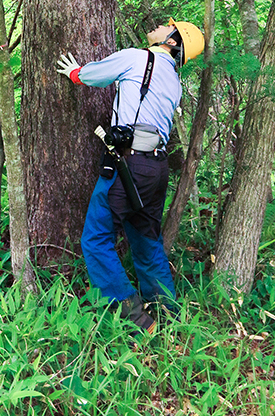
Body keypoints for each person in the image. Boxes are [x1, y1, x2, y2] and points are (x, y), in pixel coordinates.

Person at [56, 18, 204, 335]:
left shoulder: (138, 58)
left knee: (95, 240)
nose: (160, 26)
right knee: (146, 240)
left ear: (172, 41)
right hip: (156, 168)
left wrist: (74, 73)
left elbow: (92, 76)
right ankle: (169, 316)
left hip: (129, 165)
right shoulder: (174, 81)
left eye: (167, 27)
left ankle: (137, 319)